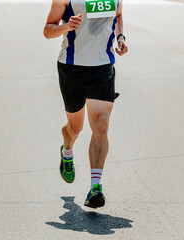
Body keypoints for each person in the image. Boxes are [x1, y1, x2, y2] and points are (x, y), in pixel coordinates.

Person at [44, 0, 128, 208]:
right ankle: (67, 151)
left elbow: (117, 15)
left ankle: (95, 187)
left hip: (102, 66)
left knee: (101, 122)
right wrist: (66, 26)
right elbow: (48, 30)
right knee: (75, 127)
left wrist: (120, 37)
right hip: (71, 68)